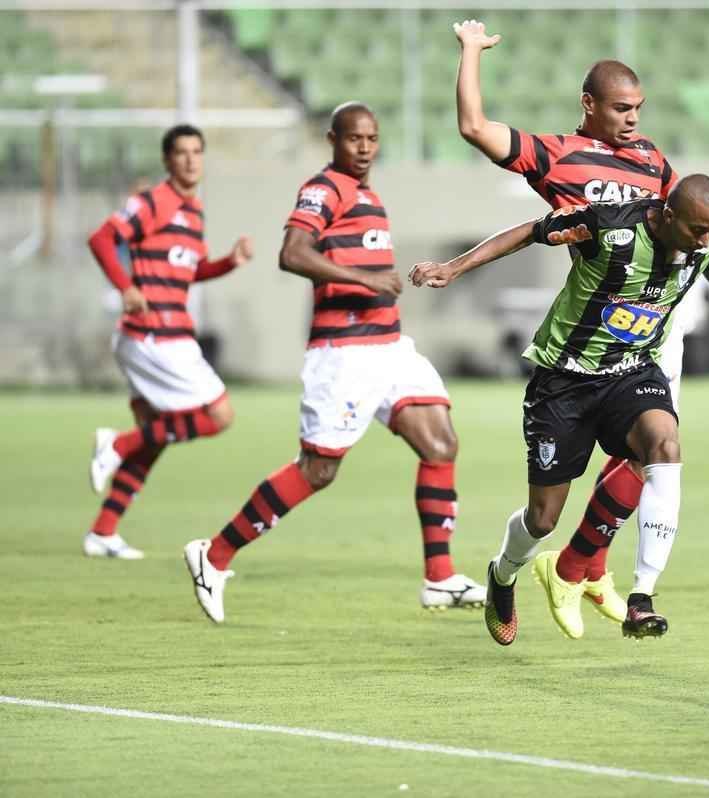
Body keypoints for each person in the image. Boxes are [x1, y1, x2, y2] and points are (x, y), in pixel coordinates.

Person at [453, 18, 709, 633]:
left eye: (639, 108)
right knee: (544, 512)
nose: (633, 119)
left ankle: (621, 584)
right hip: (578, 343)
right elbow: (474, 128)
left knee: (662, 449)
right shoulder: (558, 156)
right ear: (588, 105)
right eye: (621, 108)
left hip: (650, 326)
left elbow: (687, 212)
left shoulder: (652, 159)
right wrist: (471, 52)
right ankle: (524, 567)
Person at [410, 175, 709, 644]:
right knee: (542, 519)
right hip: (564, 383)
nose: (705, 240)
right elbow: (529, 231)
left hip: (632, 372)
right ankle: (504, 572)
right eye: (697, 230)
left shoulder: (699, 244)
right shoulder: (608, 228)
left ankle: (642, 597)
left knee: (663, 446)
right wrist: (455, 267)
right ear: (668, 216)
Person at [182, 103, 484, 623]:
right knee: (319, 470)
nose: (364, 148)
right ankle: (215, 554)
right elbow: (292, 253)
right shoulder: (324, 190)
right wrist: (365, 280)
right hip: (343, 355)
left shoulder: (367, 193)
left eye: (372, 138)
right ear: (333, 140)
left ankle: (439, 578)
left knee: (441, 443)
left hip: (389, 348)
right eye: (354, 139)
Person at [84, 124, 253, 560]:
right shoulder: (155, 201)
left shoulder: (192, 211)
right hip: (155, 335)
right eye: (181, 152)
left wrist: (227, 264)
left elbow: (189, 271)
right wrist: (125, 286)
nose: (191, 159)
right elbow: (102, 239)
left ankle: (103, 531)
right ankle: (115, 444)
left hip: (162, 336)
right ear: (167, 160)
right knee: (220, 414)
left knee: (155, 437)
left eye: (198, 151)